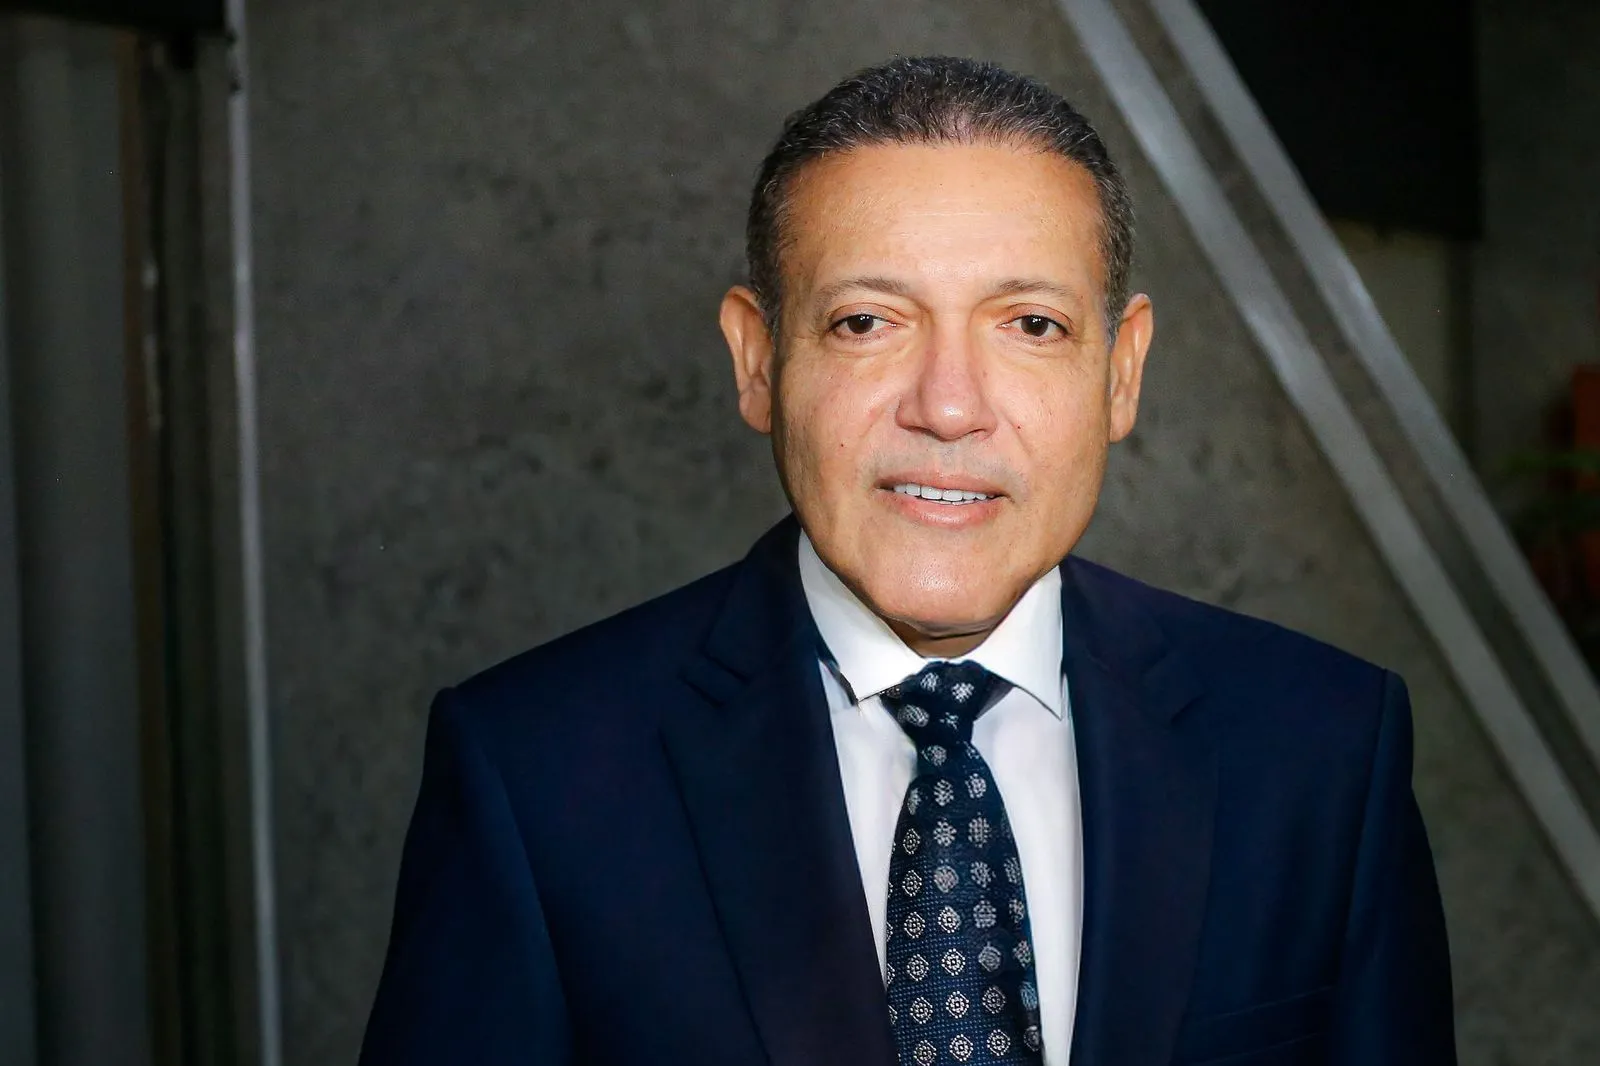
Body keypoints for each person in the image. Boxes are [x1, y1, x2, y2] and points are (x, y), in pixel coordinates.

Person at [359, 55, 1456, 1066]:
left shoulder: (1320, 750)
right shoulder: (535, 772)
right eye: (866, 322)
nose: (948, 405)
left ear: (1120, 374)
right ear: (757, 359)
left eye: (1030, 325)